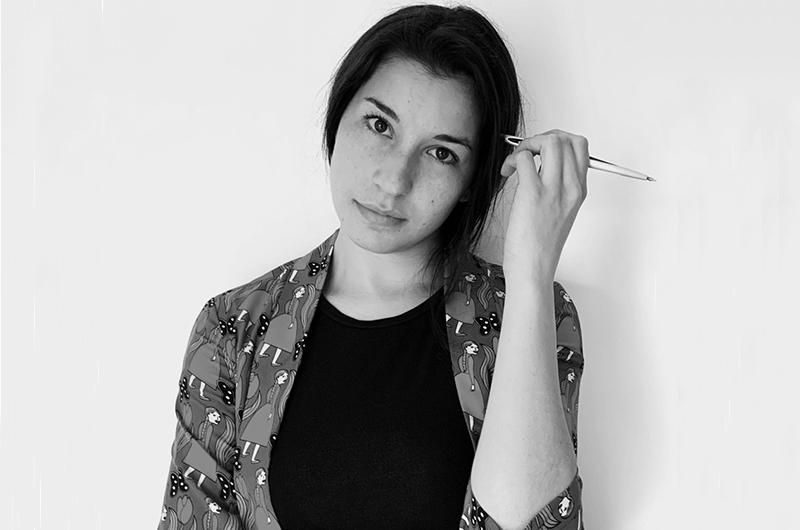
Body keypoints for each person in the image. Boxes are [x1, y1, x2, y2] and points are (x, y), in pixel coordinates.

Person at [157, 4, 588, 529]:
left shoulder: (529, 312)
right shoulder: (233, 327)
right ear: (338, 117)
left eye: (441, 153)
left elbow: (540, 523)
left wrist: (531, 274)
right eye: (380, 125)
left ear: (473, 180)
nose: (394, 180)